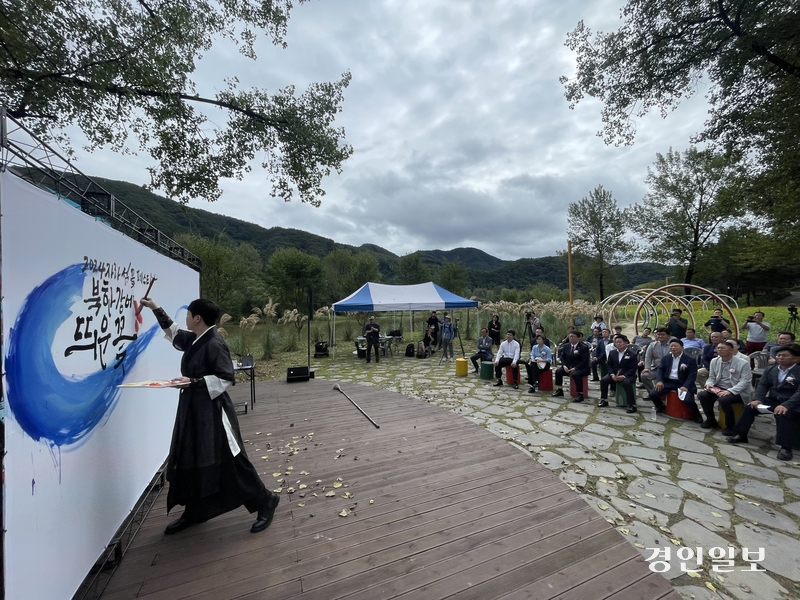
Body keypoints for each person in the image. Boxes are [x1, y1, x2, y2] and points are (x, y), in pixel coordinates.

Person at [138, 297, 279, 535]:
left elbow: (226, 378)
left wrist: (192, 381)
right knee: (192, 456)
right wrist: (155, 308)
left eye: (188, 314)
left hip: (213, 412)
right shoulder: (196, 337)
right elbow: (174, 333)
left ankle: (266, 500)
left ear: (197, 319)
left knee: (233, 460)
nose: (185, 318)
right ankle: (196, 511)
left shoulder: (214, 343)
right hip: (193, 409)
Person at [727, 344, 800, 460]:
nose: (780, 357)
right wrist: (758, 399)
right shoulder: (771, 369)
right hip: (773, 400)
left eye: (785, 356)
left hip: (792, 404)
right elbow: (762, 385)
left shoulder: (798, 371)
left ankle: (785, 448)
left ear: (796, 359)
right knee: (750, 407)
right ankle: (740, 434)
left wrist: (786, 405)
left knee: (783, 414)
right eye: (779, 355)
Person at [698, 340, 753, 433]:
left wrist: (730, 391)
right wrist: (709, 385)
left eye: (722, 348)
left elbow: (745, 381)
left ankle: (730, 426)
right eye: (718, 348)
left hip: (738, 390)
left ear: (731, 350)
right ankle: (711, 420)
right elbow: (712, 377)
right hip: (719, 388)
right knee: (703, 395)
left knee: (724, 400)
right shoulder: (714, 361)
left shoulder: (743, 363)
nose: (719, 350)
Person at [646, 338, 701, 422]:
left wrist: (686, 386)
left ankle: (696, 414)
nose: (673, 348)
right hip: (669, 381)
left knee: (688, 400)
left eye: (675, 346)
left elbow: (692, 375)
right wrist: (659, 381)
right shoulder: (666, 358)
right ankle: (661, 406)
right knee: (653, 394)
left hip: (682, 383)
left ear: (682, 347)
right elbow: (660, 370)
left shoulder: (690, 359)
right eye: (671, 346)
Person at [598, 335, 639, 413]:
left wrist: (624, 376)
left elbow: (633, 368)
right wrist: (612, 374)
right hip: (614, 374)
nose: (618, 344)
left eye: (620, 342)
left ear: (626, 342)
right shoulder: (612, 353)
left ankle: (632, 405)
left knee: (626, 383)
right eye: (616, 342)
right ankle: (604, 400)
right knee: (603, 380)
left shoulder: (632, 354)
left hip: (628, 375)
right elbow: (609, 365)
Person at [552, 331, 590, 402]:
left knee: (576, 374)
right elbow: (562, 357)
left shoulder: (584, 347)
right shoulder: (566, 346)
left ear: (578, 338)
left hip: (581, 368)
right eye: (570, 336)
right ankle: (559, 389)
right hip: (568, 367)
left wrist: (575, 368)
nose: (571, 338)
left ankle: (580, 394)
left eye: (573, 337)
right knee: (558, 371)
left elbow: (585, 361)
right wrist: (564, 365)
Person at [640, 328, 671, 392]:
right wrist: (647, 367)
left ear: (668, 336)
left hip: (670, 369)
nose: (660, 336)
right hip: (656, 368)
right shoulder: (653, 345)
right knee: (644, 376)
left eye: (662, 334)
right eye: (658, 334)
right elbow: (648, 357)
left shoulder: (673, 345)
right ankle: (653, 392)